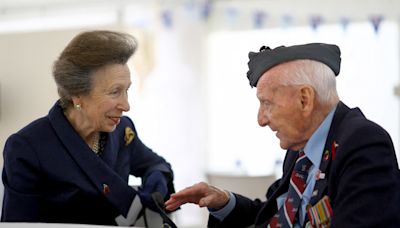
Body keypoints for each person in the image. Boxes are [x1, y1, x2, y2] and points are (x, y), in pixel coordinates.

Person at [165, 43, 400, 227]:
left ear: (304, 99)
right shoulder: (299, 151)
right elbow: (278, 216)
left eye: (267, 103)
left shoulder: (363, 143)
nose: (261, 119)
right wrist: (224, 201)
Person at [1, 30, 176, 226]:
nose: (126, 106)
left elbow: (155, 164)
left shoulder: (122, 129)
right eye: (115, 92)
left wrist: (156, 179)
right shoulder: (27, 148)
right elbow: (17, 226)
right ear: (77, 95)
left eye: (126, 90)